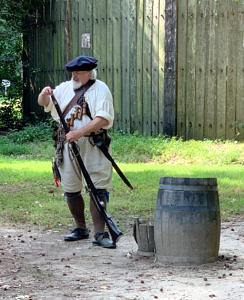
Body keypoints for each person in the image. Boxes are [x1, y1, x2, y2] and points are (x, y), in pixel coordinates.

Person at [38, 55, 115, 249]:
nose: (74, 75)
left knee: (97, 188)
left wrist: (80, 132)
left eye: (78, 72)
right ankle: (81, 228)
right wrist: (44, 94)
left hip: (93, 144)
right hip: (67, 145)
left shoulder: (101, 89)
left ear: (90, 73)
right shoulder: (65, 88)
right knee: (71, 189)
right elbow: (44, 103)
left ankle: (99, 233)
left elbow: (102, 119)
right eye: (73, 72)